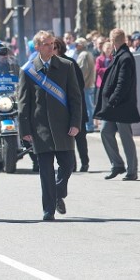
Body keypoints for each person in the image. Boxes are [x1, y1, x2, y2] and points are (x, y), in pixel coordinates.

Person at [18, 31, 82, 221]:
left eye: (53, 43)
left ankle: (57, 192)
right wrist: (25, 129)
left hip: (64, 126)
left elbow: (75, 98)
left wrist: (75, 123)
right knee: (45, 171)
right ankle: (48, 210)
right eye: (46, 44)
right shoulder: (28, 71)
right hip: (40, 128)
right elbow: (24, 103)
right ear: (37, 47)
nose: (51, 47)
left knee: (68, 164)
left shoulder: (66, 66)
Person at [94, 28, 140, 181]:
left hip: (122, 106)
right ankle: (117, 165)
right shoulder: (119, 56)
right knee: (105, 132)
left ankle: (132, 170)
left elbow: (123, 83)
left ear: (113, 41)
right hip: (114, 106)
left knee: (126, 138)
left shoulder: (125, 57)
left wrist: (113, 100)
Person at [53, 37, 90, 173]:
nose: (52, 50)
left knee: (80, 138)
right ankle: (72, 164)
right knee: (68, 138)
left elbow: (80, 85)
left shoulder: (70, 63)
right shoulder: (52, 63)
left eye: (55, 47)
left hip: (75, 106)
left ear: (60, 48)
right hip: (62, 108)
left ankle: (85, 162)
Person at [75, 38, 96, 132]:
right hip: (89, 84)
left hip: (86, 85)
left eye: (77, 44)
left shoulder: (84, 55)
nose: (75, 46)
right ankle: (90, 125)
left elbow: (82, 71)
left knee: (88, 107)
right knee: (89, 106)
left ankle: (89, 126)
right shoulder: (88, 54)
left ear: (82, 45)